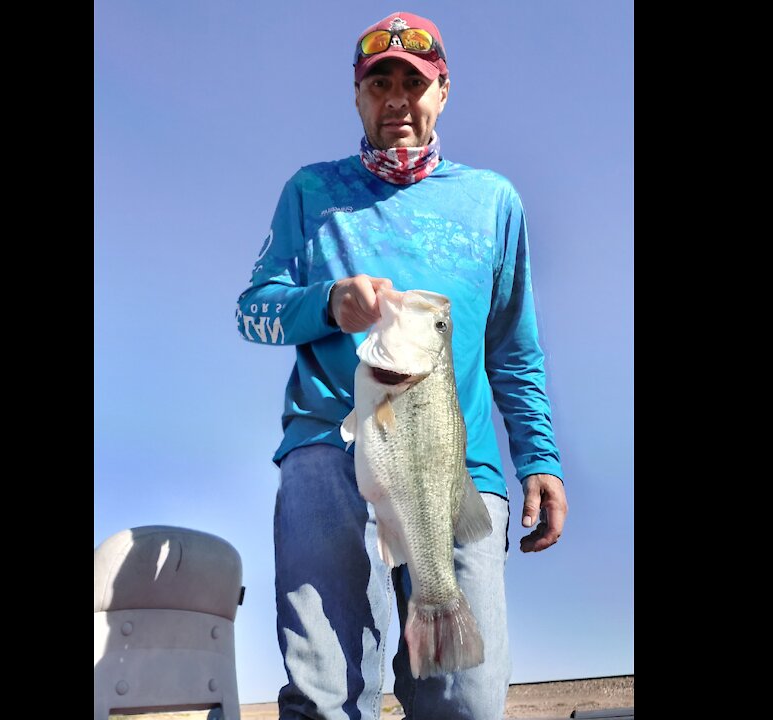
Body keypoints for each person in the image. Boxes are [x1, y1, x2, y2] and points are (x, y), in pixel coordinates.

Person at [235, 11, 568, 720]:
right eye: (377, 83)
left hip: (458, 464)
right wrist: (325, 303)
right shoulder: (310, 193)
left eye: (413, 84)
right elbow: (251, 310)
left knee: (466, 702)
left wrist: (539, 456)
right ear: (356, 96)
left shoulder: (493, 202)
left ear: (443, 91)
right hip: (328, 452)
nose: (396, 100)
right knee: (324, 695)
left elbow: (513, 346)